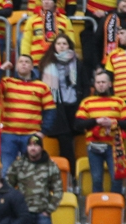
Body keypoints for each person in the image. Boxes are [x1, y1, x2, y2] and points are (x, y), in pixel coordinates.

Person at [0, 55, 55, 174]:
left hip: (31, 135)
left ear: (32, 67)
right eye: (20, 61)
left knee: (32, 171)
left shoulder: (42, 86)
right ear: (16, 66)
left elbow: (51, 111)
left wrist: (43, 132)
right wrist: (2, 69)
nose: (23, 64)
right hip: (9, 134)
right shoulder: (7, 82)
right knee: (7, 171)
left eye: (27, 62)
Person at [6, 134, 62, 224]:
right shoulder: (18, 164)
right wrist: (14, 207)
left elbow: (58, 190)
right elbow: (8, 187)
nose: (33, 148)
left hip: (42, 213)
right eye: (30, 145)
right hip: (22, 214)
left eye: (36, 145)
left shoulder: (50, 166)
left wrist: (49, 210)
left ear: (41, 148)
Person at [38, 34, 89, 171]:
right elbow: (42, 88)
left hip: (75, 107)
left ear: (69, 46)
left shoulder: (78, 64)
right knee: (64, 140)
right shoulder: (47, 64)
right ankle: (69, 172)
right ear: (54, 46)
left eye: (64, 44)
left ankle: (71, 172)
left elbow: (85, 85)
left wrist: (83, 103)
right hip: (57, 108)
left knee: (72, 140)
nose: (61, 46)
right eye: (59, 43)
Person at [75, 69, 126, 194]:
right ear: (94, 85)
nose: (101, 85)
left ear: (110, 84)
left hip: (114, 146)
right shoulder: (87, 102)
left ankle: (115, 203)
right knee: (96, 179)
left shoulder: (119, 102)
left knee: (116, 179)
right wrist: (96, 121)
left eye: (103, 82)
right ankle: (98, 204)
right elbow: (78, 124)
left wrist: (113, 122)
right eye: (98, 82)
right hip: (93, 145)